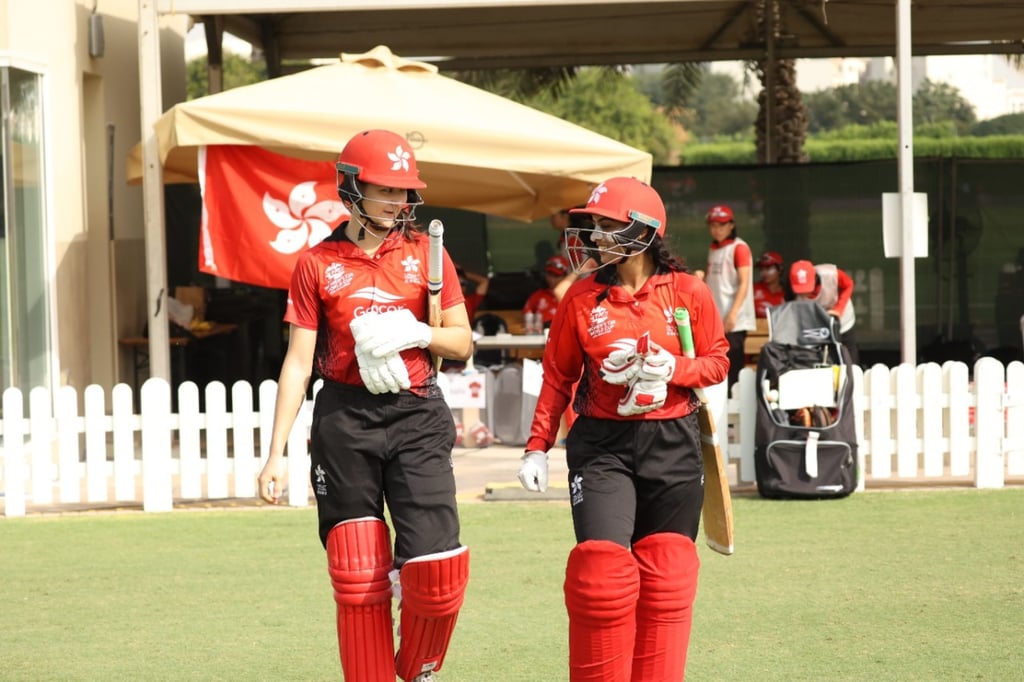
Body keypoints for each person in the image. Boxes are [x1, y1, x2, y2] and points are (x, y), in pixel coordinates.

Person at [256, 129, 472, 682]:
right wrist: (276, 452)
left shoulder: (428, 255)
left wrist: (419, 331)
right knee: (358, 575)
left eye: (404, 191)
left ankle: (418, 666)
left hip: (417, 413)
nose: (399, 202)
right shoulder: (317, 263)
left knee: (438, 575)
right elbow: (298, 363)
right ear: (352, 187)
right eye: (386, 190)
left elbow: (462, 343)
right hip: (344, 419)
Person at [517, 176, 730, 681]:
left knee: (667, 578)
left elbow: (718, 362)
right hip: (602, 447)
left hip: (673, 444)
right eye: (593, 224)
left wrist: (673, 369)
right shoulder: (581, 298)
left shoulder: (688, 292)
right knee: (601, 576)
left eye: (606, 224)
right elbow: (558, 376)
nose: (595, 235)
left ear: (644, 231)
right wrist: (536, 447)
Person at [703, 204, 756, 388]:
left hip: (734, 319)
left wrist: (733, 313)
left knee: (733, 367)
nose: (717, 229)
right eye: (713, 225)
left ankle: (734, 401)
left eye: (722, 225)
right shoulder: (714, 248)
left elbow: (744, 282)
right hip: (717, 318)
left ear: (731, 225)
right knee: (718, 365)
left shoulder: (739, 248)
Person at [788, 258, 860, 365]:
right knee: (826, 359)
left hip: (842, 319)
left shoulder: (830, 274)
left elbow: (849, 284)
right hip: (819, 325)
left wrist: (838, 309)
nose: (804, 293)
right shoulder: (792, 295)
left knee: (849, 357)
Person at [522, 254, 572, 330]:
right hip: (540, 333)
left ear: (565, 277)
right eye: (549, 274)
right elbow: (527, 316)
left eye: (556, 275)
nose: (551, 279)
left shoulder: (571, 296)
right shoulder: (538, 295)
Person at [753, 251, 787, 318]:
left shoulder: (788, 294)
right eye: (761, 269)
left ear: (780, 269)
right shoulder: (753, 289)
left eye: (768, 268)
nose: (764, 273)